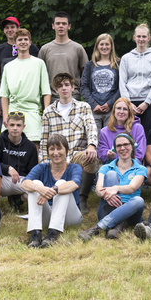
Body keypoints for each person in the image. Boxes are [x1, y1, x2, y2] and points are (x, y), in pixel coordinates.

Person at [40, 73, 98, 214]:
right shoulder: (48, 112)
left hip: (76, 153)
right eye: (60, 86)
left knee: (91, 157)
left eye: (67, 85)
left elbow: (91, 127)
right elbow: (44, 139)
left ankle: (82, 197)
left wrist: (91, 145)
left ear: (73, 87)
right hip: (57, 156)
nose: (64, 88)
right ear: (56, 90)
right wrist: (43, 161)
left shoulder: (83, 107)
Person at [79, 133, 147, 241]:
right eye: (119, 146)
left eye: (126, 144)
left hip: (131, 213)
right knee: (111, 174)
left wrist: (116, 188)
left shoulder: (140, 169)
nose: (123, 148)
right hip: (107, 210)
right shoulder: (106, 167)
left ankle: (98, 228)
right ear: (115, 149)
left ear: (132, 146)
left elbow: (132, 188)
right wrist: (105, 195)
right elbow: (98, 189)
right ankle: (118, 226)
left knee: (138, 201)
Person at [23, 134, 82, 248]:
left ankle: (52, 234)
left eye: (59, 148)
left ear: (67, 150)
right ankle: (35, 234)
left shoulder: (75, 167)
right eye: (52, 149)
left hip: (70, 216)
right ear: (47, 152)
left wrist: (53, 190)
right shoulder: (41, 167)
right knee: (36, 184)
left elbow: (74, 184)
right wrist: (39, 189)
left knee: (61, 184)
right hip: (48, 216)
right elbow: (24, 183)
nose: (56, 153)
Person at [0, 28, 51, 144]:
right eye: (20, 40)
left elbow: (46, 91)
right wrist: (5, 116)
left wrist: (46, 113)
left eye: (26, 39)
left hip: (33, 111)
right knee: (9, 146)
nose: (23, 42)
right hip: (13, 111)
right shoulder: (8, 66)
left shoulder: (39, 63)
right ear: (15, 43)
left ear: (30, 42)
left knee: (34, 146)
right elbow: (4, 94)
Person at [0, 16, 40, 129]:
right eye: (7, 28)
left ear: (18, 28)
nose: (10, 30)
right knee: (5, 127)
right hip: (4, 95)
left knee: (27, 128)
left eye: (12, 27)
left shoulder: (31, 48)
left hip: (27, 95)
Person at [119, 23, 151, 138]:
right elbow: (122, 82)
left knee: (147, 136)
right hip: (130, 103)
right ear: (134, 37)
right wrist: (128, 103)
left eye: (144, 37)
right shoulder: (126, 58)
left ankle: (146, 157)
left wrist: (147, 102)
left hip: (148, 103)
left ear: (148, 38)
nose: (141, 39)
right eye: (139, 36)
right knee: (128, 136)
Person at [0, 112, 38, 211]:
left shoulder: (30, 146)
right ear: (6, 125)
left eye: (18, 125)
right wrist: (8, 168)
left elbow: (33, 171)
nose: (15, 128)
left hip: (21, 180)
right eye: (12, 125)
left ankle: (18, 199)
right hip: (1, 179)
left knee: (38, 186)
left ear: (23, 127)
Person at [38, 11, 89, 102]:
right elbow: (39, 75)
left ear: (69, 26)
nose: (61, 26)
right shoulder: (45, 49)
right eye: (58, 23)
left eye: (64, 23)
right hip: (51, 96)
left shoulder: (77, 48)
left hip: (73, 95)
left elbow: (86, 73)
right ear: (53, 26)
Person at [80, 33, 121, 132]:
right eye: (101, 44)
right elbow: (84, 87)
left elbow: (122, 87)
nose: (104, 47)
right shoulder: (90, 65)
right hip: (94, 109)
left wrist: (110, 104)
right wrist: (94, 105)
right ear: (97, 46)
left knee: (111, 137)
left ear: (111, 46)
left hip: (112, 109)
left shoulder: (118, 64)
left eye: (107, 44)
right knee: (94, 139)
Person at [98, 98, 146, 164]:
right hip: (112, 165)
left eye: (125, 109)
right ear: (114, 111)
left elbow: (140, 153)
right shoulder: (104, 131)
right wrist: (108, 154)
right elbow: (102, 153)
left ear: (129, 112)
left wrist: (117, 156)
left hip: (133, 164)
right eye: (118, 108)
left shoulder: (138, 128)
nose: (121, 112)